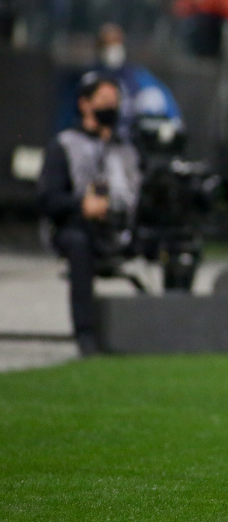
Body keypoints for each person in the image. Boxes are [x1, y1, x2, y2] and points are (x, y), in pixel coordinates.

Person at [37, 72, 141, 356]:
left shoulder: (126, 150)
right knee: (79, 243)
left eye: (115, 101)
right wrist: (81, 206)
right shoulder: (65, 145)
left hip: (118, 227)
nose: (112, 107)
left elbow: (134, 195)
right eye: (105, 100)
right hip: (75, 226)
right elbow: (48, 199)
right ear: (85, 104)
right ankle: (86, 334)